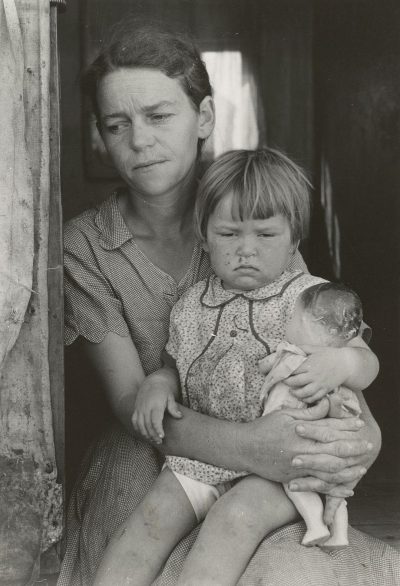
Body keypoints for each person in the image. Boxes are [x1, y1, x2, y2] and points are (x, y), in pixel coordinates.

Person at [58, 18, 398, 586]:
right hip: (156, 447)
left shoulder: (252, 222)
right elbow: (131, 403)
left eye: (160, 116)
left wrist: (359, 438)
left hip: (271, 444)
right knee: (144, 526)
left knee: (288, 560)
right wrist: (252, 447)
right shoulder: (85, 247)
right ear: (101, 135)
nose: (140, 140)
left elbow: (322, 344)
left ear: (206, 119)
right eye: (118, 125)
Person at [92, 148, 379, 586]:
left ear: (294, 241)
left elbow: (366, 360)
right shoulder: (190, 306)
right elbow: (175, 365)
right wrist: (158, 383)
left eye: (265, 235)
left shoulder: (311, 298)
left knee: (233, 518)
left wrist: (341, 362)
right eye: (228, 234)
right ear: (204, 237)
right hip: (207, 457)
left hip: (285, 466)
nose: (246, 251)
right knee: (151, 516)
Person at [260, 281, 364, 551]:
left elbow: (269, 367)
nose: (289, 322)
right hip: (330, 443)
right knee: (333, 489)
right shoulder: (337, 364)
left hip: (296, 434)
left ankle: (315, 525)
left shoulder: (292, 354)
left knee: (295, 483)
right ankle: (339, 534)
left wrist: (265, 363)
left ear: (307, 324)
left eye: (293, 317)